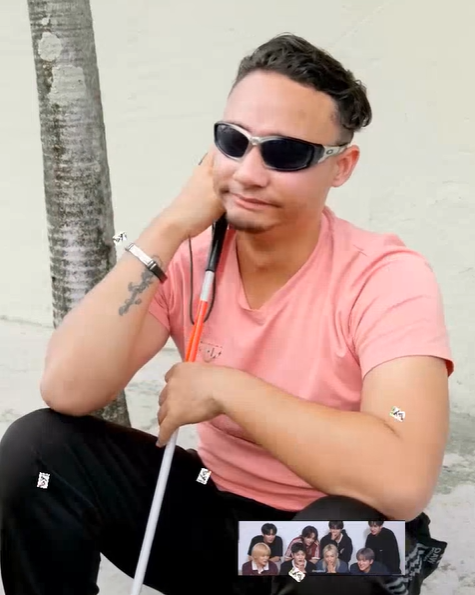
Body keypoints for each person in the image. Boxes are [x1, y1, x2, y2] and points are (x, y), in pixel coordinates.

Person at [0, 32, 452, 595]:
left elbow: (403, 479)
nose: (249, 172)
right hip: (218, 528)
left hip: (327, 545)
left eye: (285, 152)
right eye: (234, 142)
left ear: (341, 166)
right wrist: (168, 226)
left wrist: (229, 390)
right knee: (38, 454)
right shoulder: (190, 256)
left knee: (344, 545)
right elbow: (67, 387)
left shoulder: (386, 279)